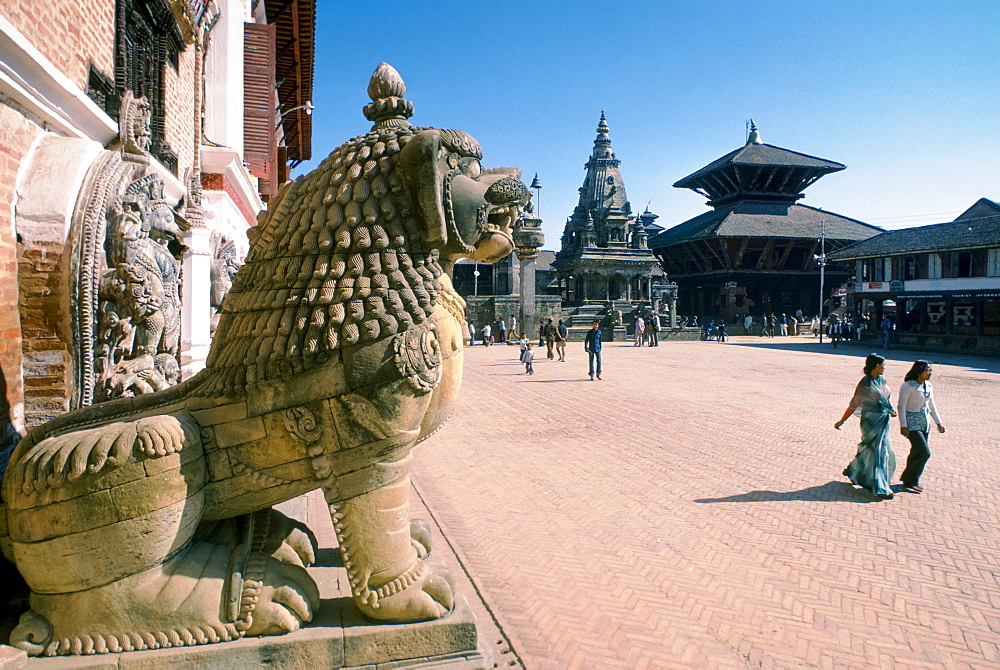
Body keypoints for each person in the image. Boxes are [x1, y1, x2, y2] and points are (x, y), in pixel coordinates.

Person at [835, 354, 897, 500]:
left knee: (880, 451)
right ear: (876, 366)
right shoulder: (865, 382)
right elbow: (854, 403)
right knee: (878, 453)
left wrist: (890, 409)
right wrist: (842, 420)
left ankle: (853, 470)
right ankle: (879, 486)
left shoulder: (882, 380)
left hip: (883, 420)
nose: (884, 367)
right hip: (870, 421)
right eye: (883, 364)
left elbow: (885, 398)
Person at [897, 360, 945, 493]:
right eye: (927, 370)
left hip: (924, 423)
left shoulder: (928, 386)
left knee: (916, 452)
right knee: (924, 452)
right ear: (919, 371)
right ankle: (909, 477)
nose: (930, 373)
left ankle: (911, 481)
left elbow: (932, 405)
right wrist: (903, 425)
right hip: (911, 423)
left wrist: (938, 423)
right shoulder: (907, 386)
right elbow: (901, 406)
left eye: (930, 370)